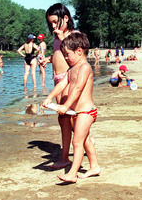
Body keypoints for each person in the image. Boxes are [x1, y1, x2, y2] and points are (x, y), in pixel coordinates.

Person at [41, 32, 100, 183]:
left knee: (77, 142)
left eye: (67, 55)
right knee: (85, 140)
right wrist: (49, 97)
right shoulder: (71, 69)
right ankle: (94, 167)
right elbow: (62, 84)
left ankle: (72, 173)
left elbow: (78, 89)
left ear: (79, 51)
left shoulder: (85, 67)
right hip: (77, 112)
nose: (65, 58)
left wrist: (65, 106)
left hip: (87, 111)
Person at [39, 3, 78, 169]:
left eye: (56, 22)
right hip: (57, 79)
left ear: (66, 18)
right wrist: (49, 59)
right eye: (51, 24)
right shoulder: (56, 38)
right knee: (63, 118)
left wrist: (62, 37)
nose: (54, 26)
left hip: (68, 79)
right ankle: (69, 152)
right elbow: (59, 53)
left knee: (70, 118)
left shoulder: (74, 35)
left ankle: (68, 154)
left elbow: (74, 53)